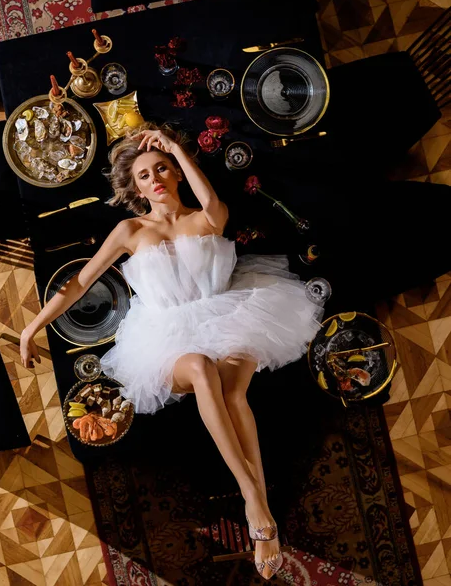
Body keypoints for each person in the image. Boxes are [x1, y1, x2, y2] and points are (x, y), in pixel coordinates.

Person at [20, 123, 323, 580]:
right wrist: (31, 328)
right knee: (202, 369)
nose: (155, 178)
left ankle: (260, 515)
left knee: (235, 393)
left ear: (178, 172)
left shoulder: (209, 217)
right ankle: (254, 501)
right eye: (144, 175)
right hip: (166, 337)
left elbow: (210, 202)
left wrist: (178, 149)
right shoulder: (129, 230)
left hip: (231, 315)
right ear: (135, 188)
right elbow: (80, 281)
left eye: (161, 169)